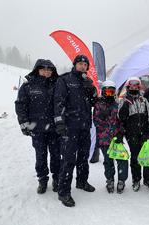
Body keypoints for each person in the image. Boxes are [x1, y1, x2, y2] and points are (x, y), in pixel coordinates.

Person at [54, 55, 97, 207]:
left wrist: (90, 89)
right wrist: (59, 122)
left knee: (84, 157)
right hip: (69, 127)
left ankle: (82, 182)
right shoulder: (64, 80)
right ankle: (63, 191)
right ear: (75, 65)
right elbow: (58, 102)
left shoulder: (88, 82)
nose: (83, 66)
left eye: (85, 64)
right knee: (68, 159)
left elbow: (93, 102)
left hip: (85, 126)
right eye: (80, 63)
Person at [15, 59, 60, 194]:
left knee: (56, 156)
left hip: (54, 129)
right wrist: (24, 124)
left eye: (49, 69)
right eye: (43, 69)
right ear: (37, 70)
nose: (46, 72)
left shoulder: (58, 85)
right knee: (40, 156)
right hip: (37, 129)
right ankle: (42, 180)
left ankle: (57, 179)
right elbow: (20, 105)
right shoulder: (28, 86)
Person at [118, 77, 149, 193]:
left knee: (148, 156)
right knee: (135, 157)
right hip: (132, 132)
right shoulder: (124, 100)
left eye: (136, 85)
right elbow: (121, 117)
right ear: (128, 87)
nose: (134, 87)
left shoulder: (143, 100)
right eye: (132, 85)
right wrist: (126, 104)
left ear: (139, 87)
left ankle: (148, 179)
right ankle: (136, 179)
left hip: (144, 132)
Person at [93, 80, 128, 194]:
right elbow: (97, 121)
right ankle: (110, 180)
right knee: (108, 161)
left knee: (122, 159)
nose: (109, 94)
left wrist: (120, 132)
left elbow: (121, 121)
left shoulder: (117, 104)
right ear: (103, 92)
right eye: (107, 92)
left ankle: (122, 180)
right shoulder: (98, 104)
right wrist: (108, 130)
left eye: (111, 92)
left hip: (116, 138)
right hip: (104, 138)